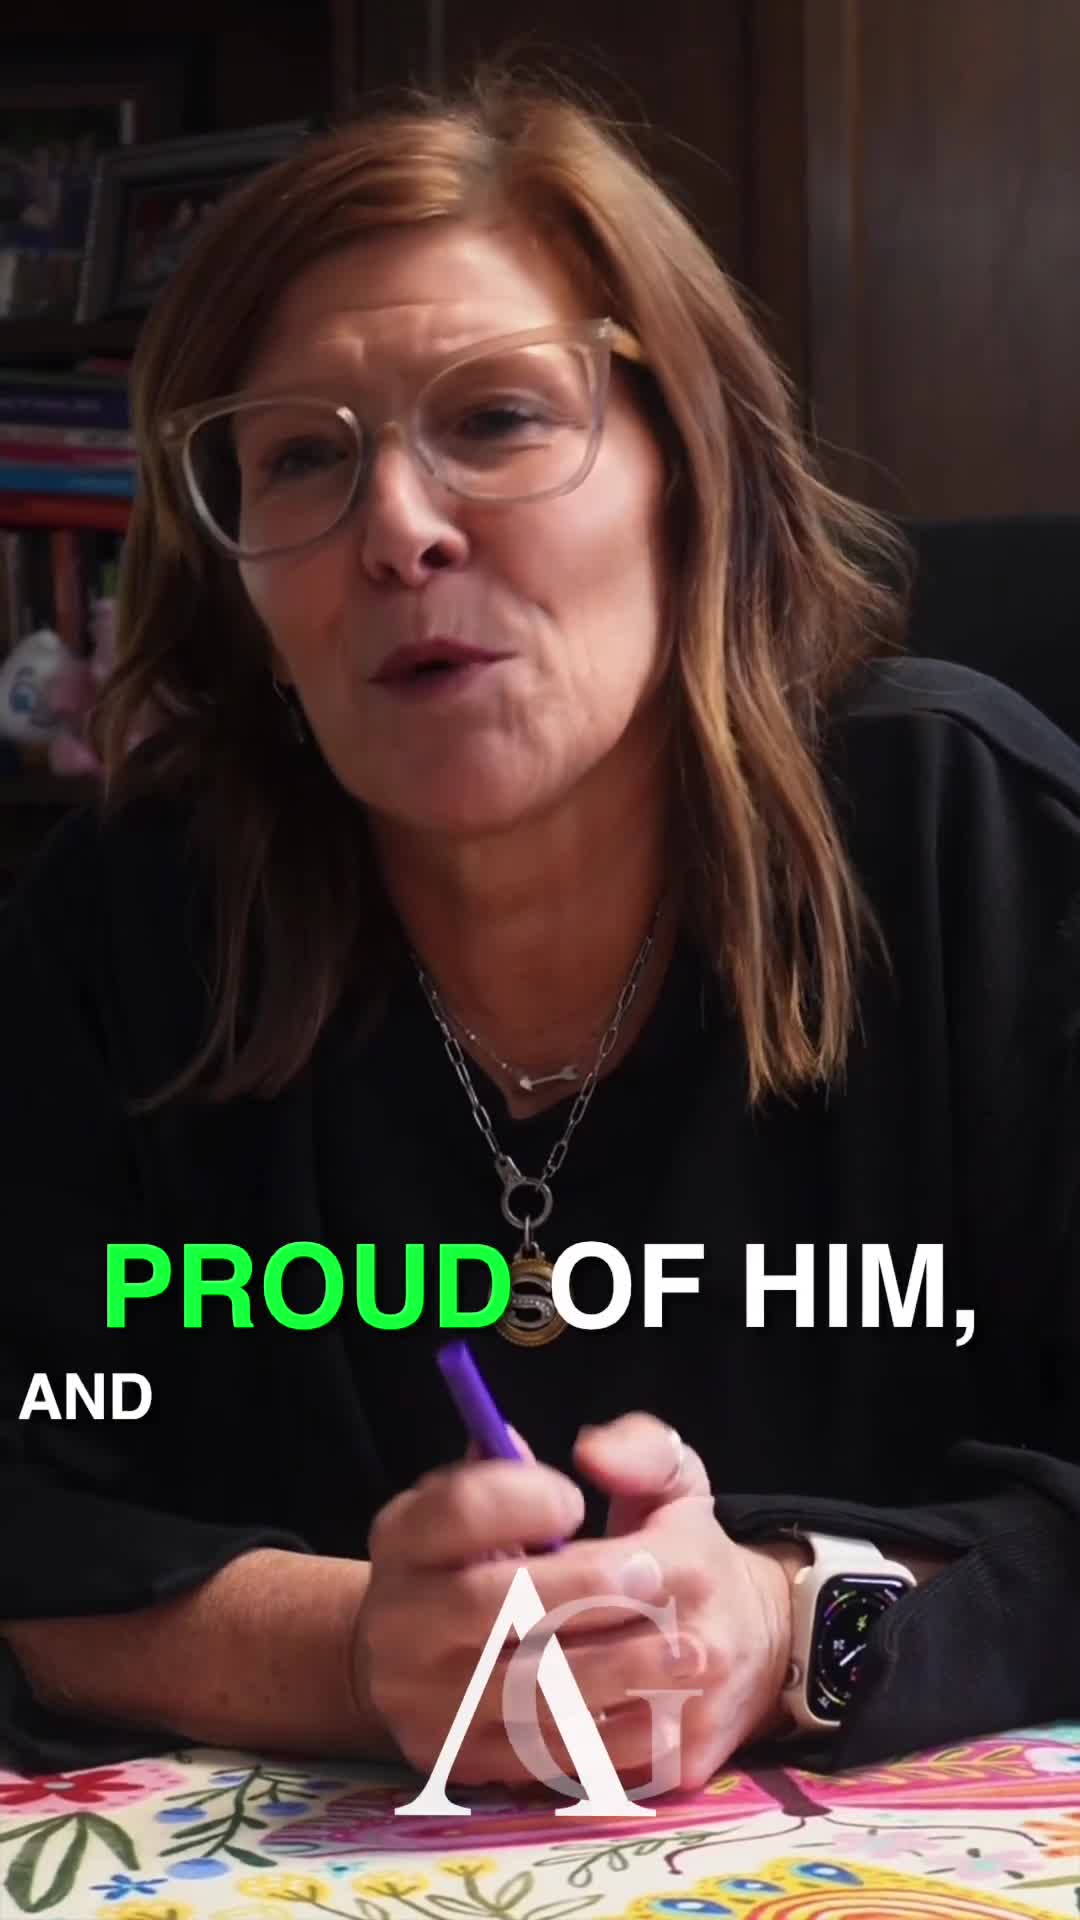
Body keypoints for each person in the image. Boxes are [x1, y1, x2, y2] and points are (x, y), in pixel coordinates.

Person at [2, 73, 1080, 1792]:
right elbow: (38, 1517)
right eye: (300, 458)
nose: (398, 529)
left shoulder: (977, 842)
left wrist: (785, 1626)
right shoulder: (126, 930)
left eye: (497, 418)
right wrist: (365, 1657)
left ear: (690, 473)